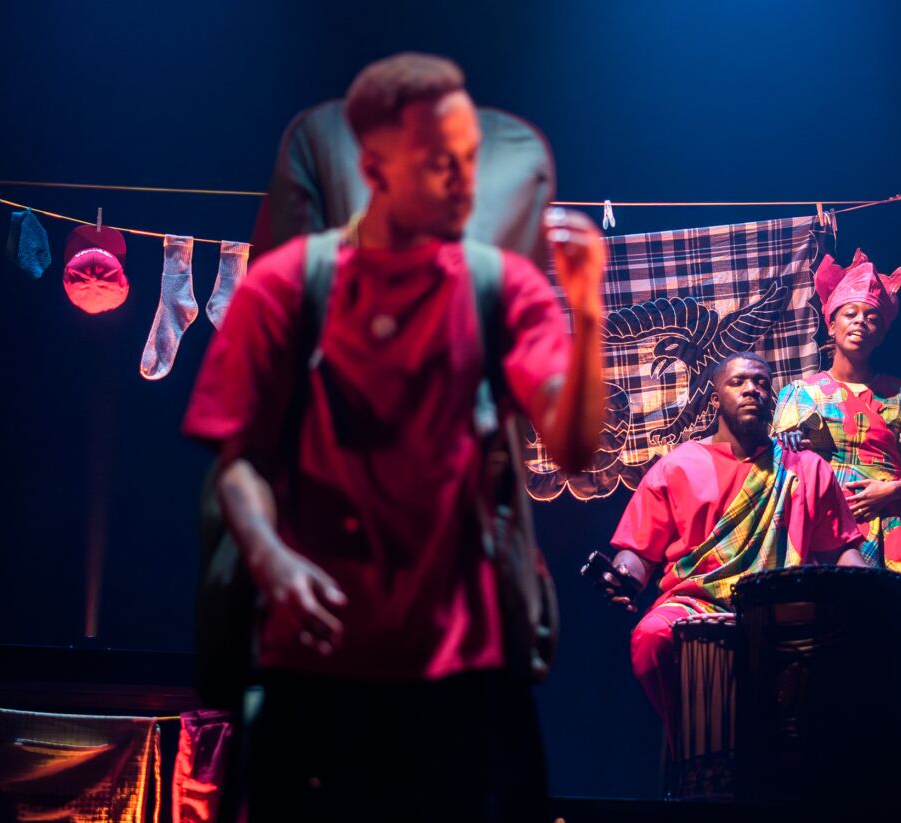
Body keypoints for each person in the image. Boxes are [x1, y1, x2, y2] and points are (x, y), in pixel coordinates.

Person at [182, 52, 607, 820]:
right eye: (440, 164)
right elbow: (239, 464)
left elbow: (574, 448)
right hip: (315, 660)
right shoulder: (289, 285)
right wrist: (272, 559)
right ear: (374, 168)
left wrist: (590, 312)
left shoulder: (501, 286)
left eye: (471, 160)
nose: (465, 182)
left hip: (464, 673)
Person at [594, 351, 867, 728]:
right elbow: (638, 551)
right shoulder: (678, 465)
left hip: (785, 606)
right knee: (652, 637)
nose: (752, 390)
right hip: (697, 601)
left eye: (762, 383)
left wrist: (871, 592)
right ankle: (699, 749)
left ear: (772, 399)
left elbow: (841, 550)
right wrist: (622, 577)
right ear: (714, 399)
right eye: (738, 382)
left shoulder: (804, 467)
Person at [772, 250, 901, 678]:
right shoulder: (799, 395)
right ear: (831, 324)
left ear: (882, 333)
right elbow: (780, 468)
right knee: (823, 642)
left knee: (887, 641)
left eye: (871, 317)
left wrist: (890, 491)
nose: (860, 322)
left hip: (890, 525)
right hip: (819, 527)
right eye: (850, 314)